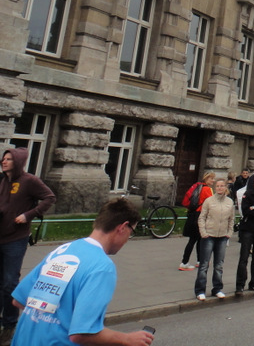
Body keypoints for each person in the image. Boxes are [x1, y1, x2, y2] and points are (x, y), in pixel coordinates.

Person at [10, 198, 153, 346]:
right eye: (132, 232)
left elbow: (19, 300)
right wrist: (127, 339)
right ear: (122, 228)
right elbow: (81, 334)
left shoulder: (62, 250)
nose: (128, 239)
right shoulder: (102, 267)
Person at [0, 148, 56, 345]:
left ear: (18, 161)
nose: (4, 161)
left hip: (15, 238)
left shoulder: (29, 180)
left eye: (9, 159)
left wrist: (28, 215)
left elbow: (50, 197)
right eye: (3, 158)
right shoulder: (2, 180)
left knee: (9, 282)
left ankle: (9, 324)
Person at [195, 178, 235, 300]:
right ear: (215, 187)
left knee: (219, 265)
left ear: (225, 188)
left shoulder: (229, 202)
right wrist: (203, 232)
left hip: (222, 237)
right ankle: (200, 290)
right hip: (209, 236)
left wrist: (229, 232)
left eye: (222, 186)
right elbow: (202, 218)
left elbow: (231, 219)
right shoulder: (209, 201)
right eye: (217, 186)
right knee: (204, 265)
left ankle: (217, 288)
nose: (220, 188)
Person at [180, 172, 214, 270]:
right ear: (206, 179)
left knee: (198, 239)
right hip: (200, 216)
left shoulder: (198, 187)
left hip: (193, 215)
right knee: (195, 240)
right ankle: (184, 262)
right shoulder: (208, 189)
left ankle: (200, 260)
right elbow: (211, 203)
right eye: (211, 178)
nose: (213, 180)